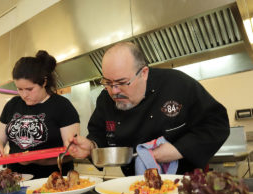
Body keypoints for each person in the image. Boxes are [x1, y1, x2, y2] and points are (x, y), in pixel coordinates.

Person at [69, 42, 230, 176]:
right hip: (136, 189)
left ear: (144, 73)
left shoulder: (177, 85)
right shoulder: (105, 100)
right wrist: (91, 147)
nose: (114, 91)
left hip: (184, 188)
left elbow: (216, 123)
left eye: (122, 82)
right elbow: (99, 135)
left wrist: (178, 150)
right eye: (108, 83)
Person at [0, 50, 80, 179]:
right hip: (15, 179)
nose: (24, 95)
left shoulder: (62, 106)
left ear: (44, 82)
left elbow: (72, 151)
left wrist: (39, 160)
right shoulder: (12, 105)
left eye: (29, 89)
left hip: (53, 180)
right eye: (19, 89)